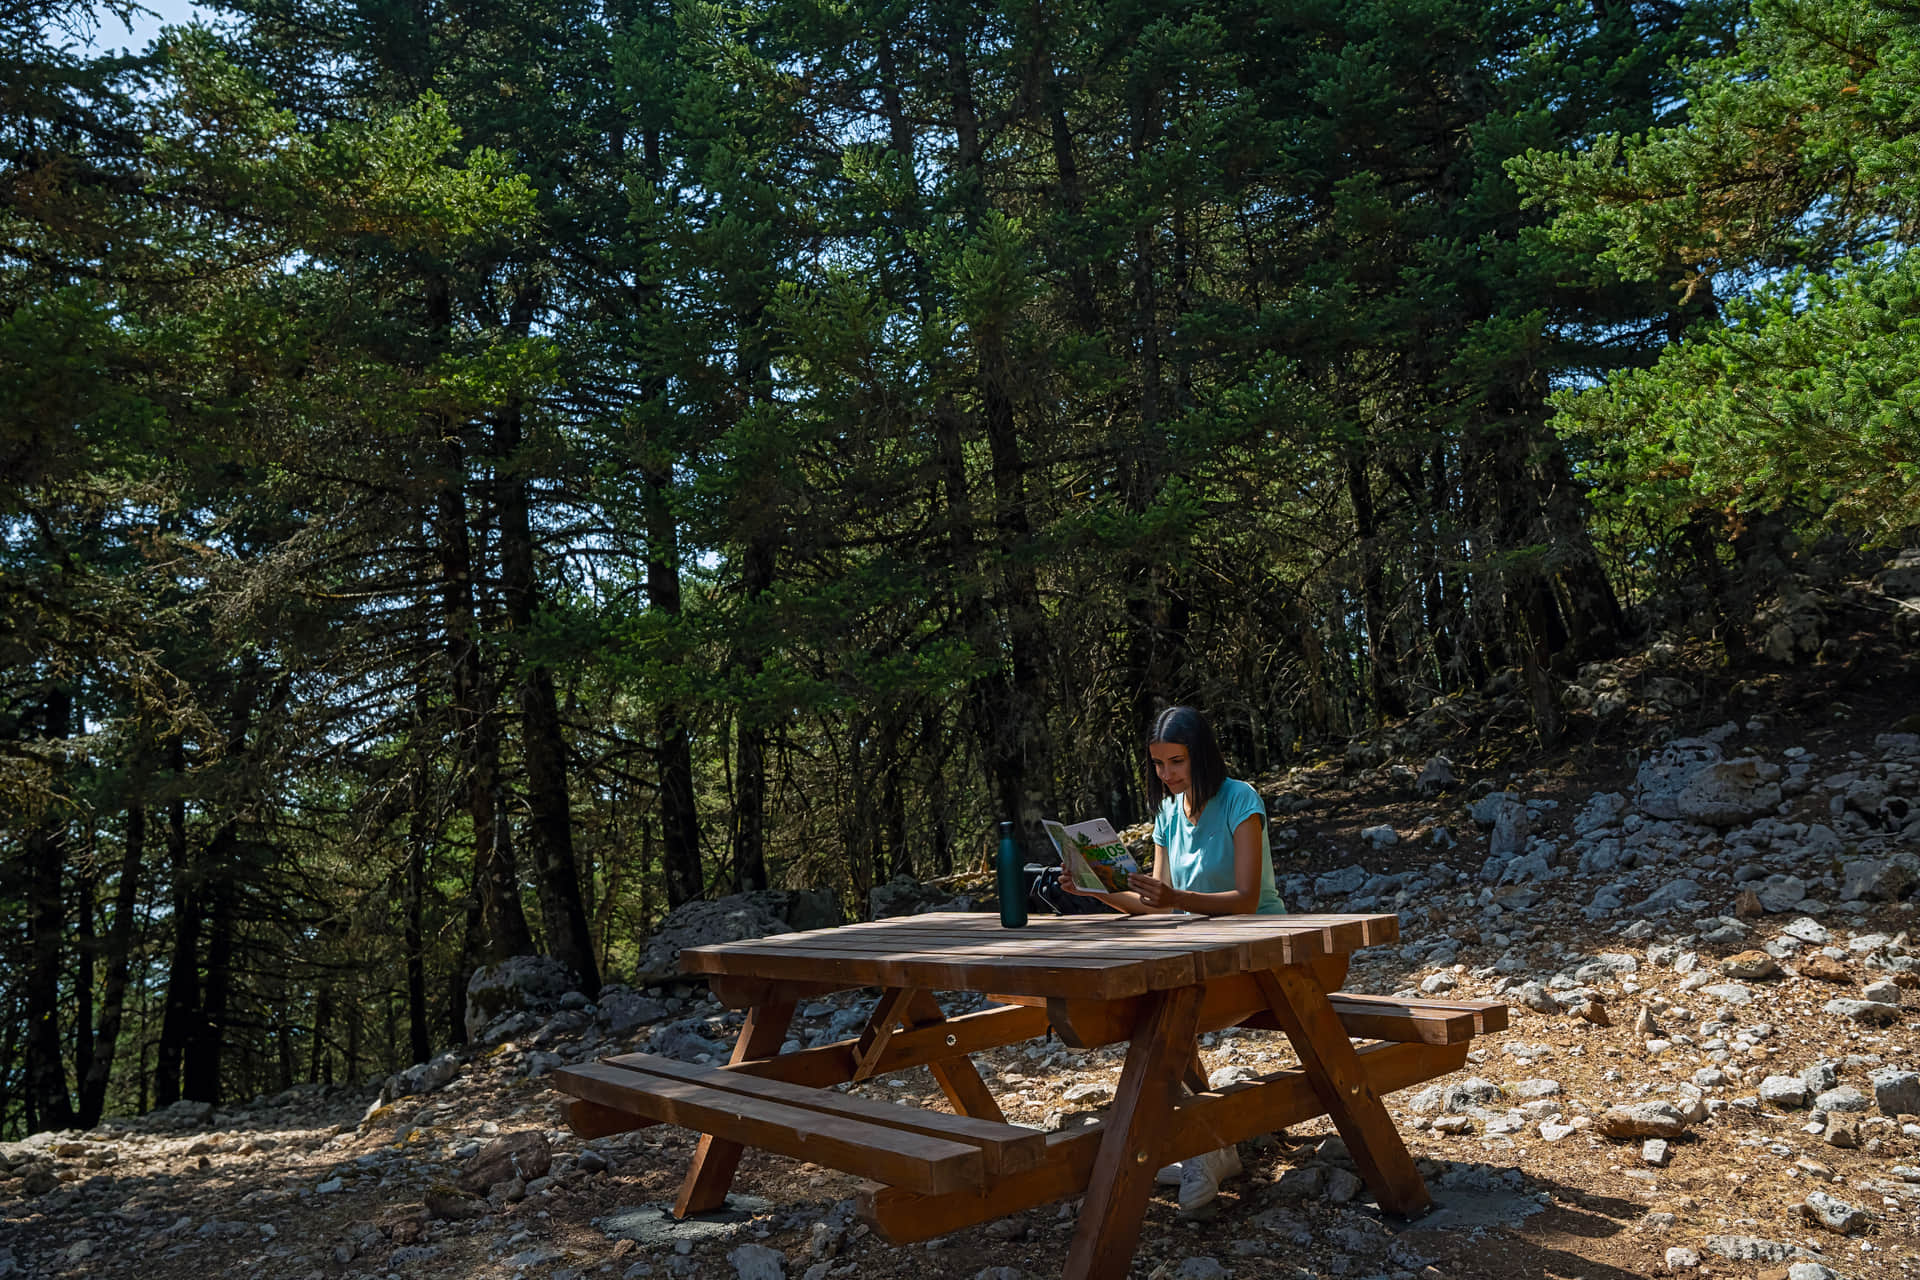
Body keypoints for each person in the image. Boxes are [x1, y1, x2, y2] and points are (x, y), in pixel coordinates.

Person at [1058, 704, 1285, 1212]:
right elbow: (1152, 905)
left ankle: (1202, 1143)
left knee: (1162, 1008)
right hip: (1194, 950)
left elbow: (1246, 898)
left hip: (1261, 951)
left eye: (1177, 762)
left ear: (1201, 755)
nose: (1168, 775)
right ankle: (1203, 1144)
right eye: (1159, 765)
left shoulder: (1240, 799)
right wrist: (1097, 891)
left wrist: (1174, 899)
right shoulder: (1166, 813)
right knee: (1150, 1002)